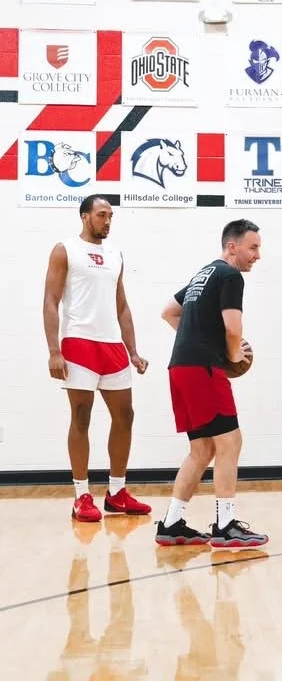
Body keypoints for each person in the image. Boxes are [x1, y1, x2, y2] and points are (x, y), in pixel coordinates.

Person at [155, 219, 269, 548]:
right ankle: (226, 525)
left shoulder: (202, 274)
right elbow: (233, 329)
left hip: (180, 366)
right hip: (201, 369)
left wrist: (199, 340)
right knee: (230, 442)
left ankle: (172, 523)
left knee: (202, 448)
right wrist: (230, 355)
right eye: (253, 247)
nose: (257, 255)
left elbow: (168, 312)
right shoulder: (230, 276)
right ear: (232, 247)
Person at [43, 194, 151, 523]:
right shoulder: (65, 249)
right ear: (85, 217)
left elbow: (122, 306)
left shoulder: (116, 254)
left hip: (112, 346)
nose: (107, 221)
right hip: (78, 344)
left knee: (126, 417)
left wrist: (133, 350)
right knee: (81, 418)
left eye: (110, 216)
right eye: (102, 215)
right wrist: (54, 350)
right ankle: (81, 496)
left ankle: (117, 493)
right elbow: (51, 299)